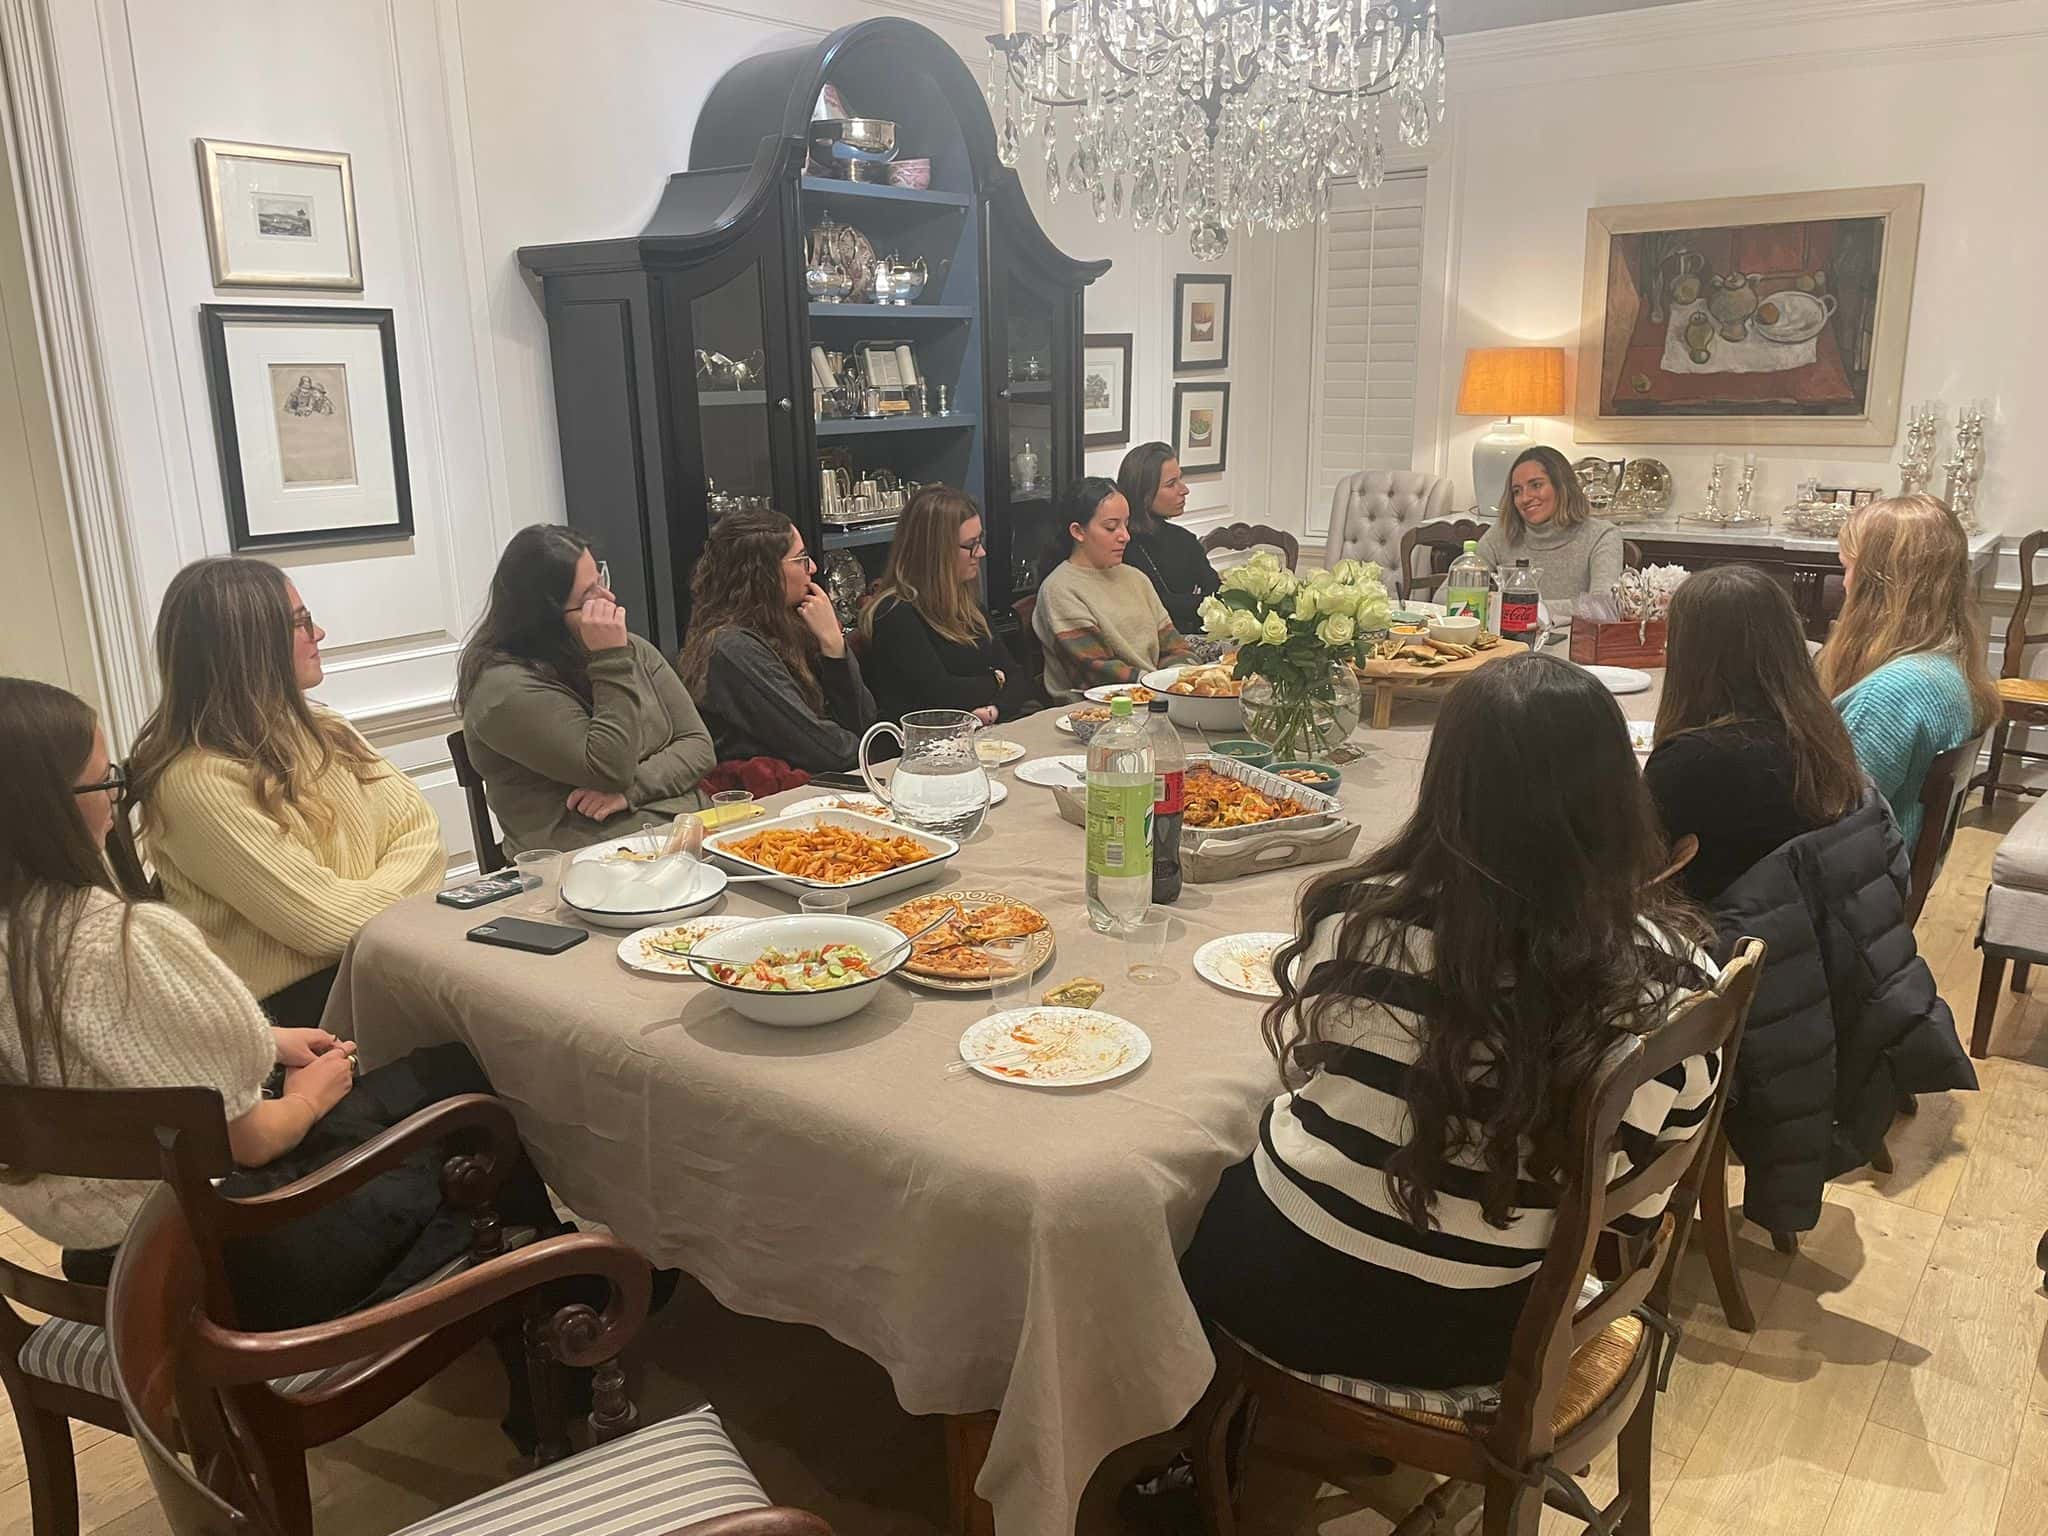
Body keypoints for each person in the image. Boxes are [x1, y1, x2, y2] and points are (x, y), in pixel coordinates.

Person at [1177, 655, 1718, 1393]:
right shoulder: (1676, 980)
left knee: (1181, 1188)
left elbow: (1306, 1064)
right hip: (1485, 1333)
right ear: (1621, 793)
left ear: (1444, 781)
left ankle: (1180, 1433)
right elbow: (1637, 1207)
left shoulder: (1357, 914)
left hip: (1278, 1281)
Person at [0, 676, 560, 1333]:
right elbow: (255, 1139)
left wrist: (266, 1042)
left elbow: (102, 1050)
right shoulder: (122, 941)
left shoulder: (30, 941)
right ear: (48, 808)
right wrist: (308, 1100)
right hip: (223, 1261)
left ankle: (526, 1293)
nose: (117, 798)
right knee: (463, 1091)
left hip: (99, 1261)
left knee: (430, 1080)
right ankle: (563, 1306)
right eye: (105, 783)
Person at [125, 559, 443, 1030]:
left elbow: (423, 834)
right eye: (300, 623)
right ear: (249, 645)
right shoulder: (196, 782)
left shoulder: (325, 728)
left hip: (378, 962)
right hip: (297, 1015)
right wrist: (402, 900)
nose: (320, 634)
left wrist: (368, 903)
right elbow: (324, 925)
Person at [458, 525, 716, 856]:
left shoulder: (632, 649)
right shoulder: (504, 690)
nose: (609, 600)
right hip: (590, 858)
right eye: (588, 597)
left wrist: (632, 790)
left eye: (601, 580)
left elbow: (698, 746)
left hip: (686, 832)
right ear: (545, 617)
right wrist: (609, 660)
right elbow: (609, 769)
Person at [1646, 565, 1864, 902]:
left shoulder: (1689, 762)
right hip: (1805, 922)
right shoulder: (1820, 734)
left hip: (1718, 928)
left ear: (1690, 657)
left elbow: (1636, 871)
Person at [1817, 493, 1999, 849]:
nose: (1845, 583)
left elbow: (1829, 819)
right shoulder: (1945, 666)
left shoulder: (1893, 692)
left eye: (1848, 568)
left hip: (1855, 873)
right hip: (1883, 865)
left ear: (1880, 583)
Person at [679, 509, 878, 773]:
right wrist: (880, 752)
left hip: (822, 784)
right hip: (774, 794)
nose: (813, 568)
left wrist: (834, 648)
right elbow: (823, 750)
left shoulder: (791, 623)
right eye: (801, 559)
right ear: (763, 573)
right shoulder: (732, 648)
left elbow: (863, 724)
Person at [859, 486, 1034, 724]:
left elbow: (1017, 676)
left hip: (983, 728)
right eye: (971, 544)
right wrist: (995, 680)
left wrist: (993, 710)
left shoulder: (967, 604)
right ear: (935, 551)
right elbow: (942, 694)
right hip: (928, 741)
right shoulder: (895, 613)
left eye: (980, 540)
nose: (981, 552)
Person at [1032, 477, 1192, 700]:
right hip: (1095, 707)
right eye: (1111, 527)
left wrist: (1183, 677)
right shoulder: (1059, 590)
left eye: (1126, 524)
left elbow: (1174, 646)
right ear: (1078, 532)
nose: (1125, 536)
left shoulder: (1136, 578)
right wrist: (1163, 686)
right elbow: (1097, 672)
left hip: (1155, 696)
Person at [1475, 445, 1623, 626]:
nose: (1525, 498)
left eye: (1536, 485)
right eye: (1517, 491)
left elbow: (1602, 608)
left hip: (1572, 642)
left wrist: (1517, 608)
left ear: (1562, 486)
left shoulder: (1602, 535)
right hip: (1508, 641)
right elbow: (1448, 594)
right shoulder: (1501, 534)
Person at [1118, 442, 1217, 635]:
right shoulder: (1120, 546)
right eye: (1171, 484)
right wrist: (1197, 603)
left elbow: (1216, 594)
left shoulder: (1184, 540)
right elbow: (1149, 606)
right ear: (1143, 493)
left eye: (1181, 479)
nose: (1184, 490)